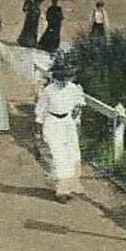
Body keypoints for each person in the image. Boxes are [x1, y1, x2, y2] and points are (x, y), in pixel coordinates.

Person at [34, 59, 85, 202]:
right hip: (52, 123)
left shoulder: (73, 88)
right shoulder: (48, 91)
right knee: (58, 156)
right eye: (61, 77)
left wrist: (76, 116)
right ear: (55, 76)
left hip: (68, 123)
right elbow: (40, 110)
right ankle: (61, 191)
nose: (64, 80)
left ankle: (70, 186)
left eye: (67, 77)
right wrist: (38, 131)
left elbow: (78, 105)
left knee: (71, 154)